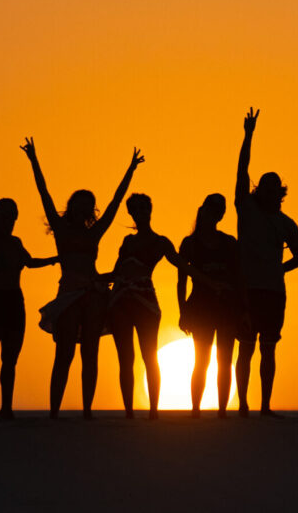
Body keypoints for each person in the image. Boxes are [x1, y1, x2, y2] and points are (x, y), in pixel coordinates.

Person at [21, 138, 143, 419]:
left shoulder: (95, 232)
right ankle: (54, 411)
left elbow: (114, 203)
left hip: (94, 294)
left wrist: (131, 169)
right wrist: (34, 160)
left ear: (90, 210)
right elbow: (44, 194)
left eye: (88, 205)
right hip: (68, 293)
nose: (82, 208)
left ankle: (87, 411)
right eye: (78, 203)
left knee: (91, 352)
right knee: (64, 353)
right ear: (72, 205)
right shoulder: (61, 229)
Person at [107, 193, 211, 419]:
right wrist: (92, 278)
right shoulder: (128, 241)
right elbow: (116, 272)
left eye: (144, 208)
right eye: (136, 209)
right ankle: (129, 412)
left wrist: (208, 280)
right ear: (131, 213)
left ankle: (153, 411)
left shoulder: (160, 242)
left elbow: (181, 265)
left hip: (145, 301)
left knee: (149, 356)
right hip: (121, 299)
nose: (141, 213)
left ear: (150, 211)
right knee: (125, 358)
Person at [234, 108, 298, 417]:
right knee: (245, 347)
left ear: (281, 192)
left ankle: (264, 405)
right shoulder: (246, 209)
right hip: (247, 290)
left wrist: (280, 268)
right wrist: (249, 135)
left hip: (274, 292)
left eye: (274, 187)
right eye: (264, 185)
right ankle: (244, 405)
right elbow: (241, 170)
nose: (269, 190)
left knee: (269, 348)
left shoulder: (287, 223)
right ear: (258, 189)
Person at [0, 198, 58, 421]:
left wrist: (53, 260)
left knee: (10, 359)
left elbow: (29, 262)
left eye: (13, 216)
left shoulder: (15, 243)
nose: (9, 220)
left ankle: (6, 407)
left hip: (14, 302)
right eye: (5, 216)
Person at [178, 193, 241, 418]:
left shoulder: (229, 242)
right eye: (212, 208)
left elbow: (238, 278)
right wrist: (183, 311)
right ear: (203, 209)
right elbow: (181, 279)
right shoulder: (190, 243)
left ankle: (222, 411)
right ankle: (195, 410)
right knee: (201, 360)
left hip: (226, 307)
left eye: (219, 210)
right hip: (201, 307)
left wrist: (242, 310)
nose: (215, 213)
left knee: (224, 361)